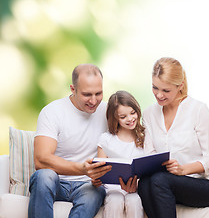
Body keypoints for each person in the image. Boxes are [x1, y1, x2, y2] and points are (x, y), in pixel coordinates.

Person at [138, 57, 209, 218]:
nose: (159, 95)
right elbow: (150, 154)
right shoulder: (149, 114)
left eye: (166, 90)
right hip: (168, 183)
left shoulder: (198, 110)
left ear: (180, 86)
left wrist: (182, 169)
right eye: (155, 87)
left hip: (207, 184)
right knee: (145, 183)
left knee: (159, 180)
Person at [28, 64, 112, 218]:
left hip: (89, 185)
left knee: (96, 191)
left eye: (98, 93)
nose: (94, 101)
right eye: (87, 94)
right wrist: (82, 168)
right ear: (73, 89)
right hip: (57, 182)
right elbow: (41, 160)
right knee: (44, 176)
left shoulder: (109, 112)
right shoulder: (53, 111)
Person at [93, 90, 145, 218]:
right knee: (115, 200)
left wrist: (136, 185)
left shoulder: (145, 137)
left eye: (133, 113)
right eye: (123, 117)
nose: (130, 119)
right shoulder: (106, 139)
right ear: (115, 118)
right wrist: (95, 180)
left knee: (134, 201)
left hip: (136, 189)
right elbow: (99, 170)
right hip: (113, 189)